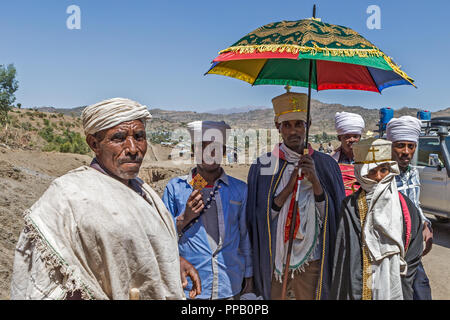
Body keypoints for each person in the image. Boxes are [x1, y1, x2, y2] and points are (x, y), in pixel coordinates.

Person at [10, 97, 201, 300]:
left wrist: (170, 261)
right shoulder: (69, 195)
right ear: (94, 144)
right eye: (118, 138)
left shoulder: (143, 191)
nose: (133, 148)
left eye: (139, 136)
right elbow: (44, 277)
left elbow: (136, 247)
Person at [246, 91, 345, 300]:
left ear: (308, 125)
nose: (293, 131)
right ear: (278, 128)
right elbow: (259, 218)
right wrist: (290, 185)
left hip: (312, 261)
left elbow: (334, 216)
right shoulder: (263, 165)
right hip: (276, 259)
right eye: (287, 125)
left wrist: (316, 182)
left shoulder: (327, 165)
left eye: (299, 124)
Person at [163, 121, 253, 300]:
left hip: (230, 285)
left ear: (225, 152)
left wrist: (249, 278)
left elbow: (244, 237)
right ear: (193, 151)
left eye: (216, 148)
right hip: (189, 287)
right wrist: (184, 218)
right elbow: (161, 236)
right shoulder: (175, 188)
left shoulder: (239, 189)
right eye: (202, 148)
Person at [331, 138, 423, 300]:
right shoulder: (350, 206)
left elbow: (414, 250)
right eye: (371, 172)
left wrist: (402, 278)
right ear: (361, 172)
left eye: (384, 170)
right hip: (359, 285)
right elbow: (344, 252)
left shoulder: (406, 206)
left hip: (396, 283)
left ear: (391, 170)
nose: (379, 177)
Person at [386, 116, 433, 300]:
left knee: (421, 290)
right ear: (390, 146)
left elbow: (415, 204)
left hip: (413, 247)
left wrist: (425, 224)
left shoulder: (413, 173)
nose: (406, 151)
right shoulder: (382, 175)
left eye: (411, 146)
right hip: (391, 249)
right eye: (400, 145)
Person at [331, 111, 365, 196]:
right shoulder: (331, 161)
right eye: (347, 136)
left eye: (355, 136)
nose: (352, 139)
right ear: (339, 138)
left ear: (360, 137)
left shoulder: (369, 160)